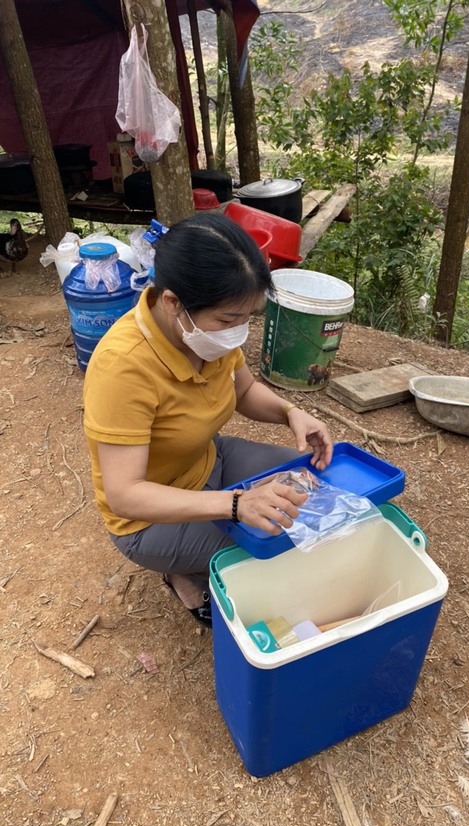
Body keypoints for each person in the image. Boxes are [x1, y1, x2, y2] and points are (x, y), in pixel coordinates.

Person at [82, 213, 333, 627]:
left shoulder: (205, 332)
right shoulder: (123, 367)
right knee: (277, 542)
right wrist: (236, 504)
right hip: (148, 519)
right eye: (228, 320)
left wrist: (291, 413)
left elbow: (244, 391)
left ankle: (203, 556)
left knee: (313, 487)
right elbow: (125, 495)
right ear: (172, 303)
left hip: (207, 459)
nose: (238, 332)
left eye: (247, 317)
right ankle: (183, 570)